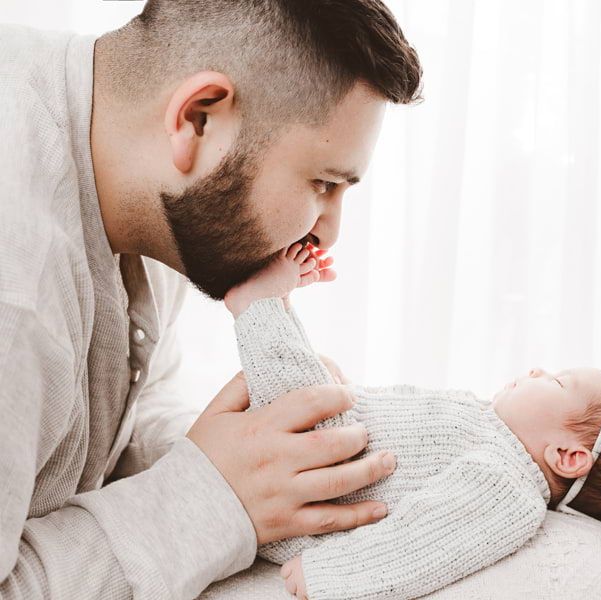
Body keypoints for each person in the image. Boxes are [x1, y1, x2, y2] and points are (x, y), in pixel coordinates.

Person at [0, 1, 422, 598]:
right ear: (198, 119)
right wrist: (211, 498)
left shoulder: (138, 181)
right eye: (322, 184)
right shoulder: (16, 290)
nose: (328, 234)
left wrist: (255, 459)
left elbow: (114, 412)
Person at [222, 245, 601, 600]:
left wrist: (329, 574)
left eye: (555, 382)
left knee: (313, 410)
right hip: (331, 451)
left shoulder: (509, 489)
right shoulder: (493, 436)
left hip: (321, 482)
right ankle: (275, 306)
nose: (537, 370)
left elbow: (420, 545)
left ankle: (260, 307)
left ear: (568, 457)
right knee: (322, 390)